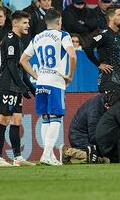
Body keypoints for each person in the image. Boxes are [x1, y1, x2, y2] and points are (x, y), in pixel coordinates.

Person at [20, 9, 77, 166]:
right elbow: (72, 55)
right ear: (59, 22)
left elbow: (23, 60)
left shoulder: (37, 37)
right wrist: (70, 76)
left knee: (46, 118)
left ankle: (49, 155)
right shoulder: (63, 35)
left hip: (42, 81)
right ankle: (46, 154)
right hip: (56, 81)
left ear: (46, 22)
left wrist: (36, 76)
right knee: (56, 118)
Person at [0, 10, 35, 167]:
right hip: (7, 85)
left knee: (16, 120)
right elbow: (10, 65)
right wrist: (22, 87)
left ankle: (17, 158)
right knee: (4, 119)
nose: (27, 25)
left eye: (28, 23)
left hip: (15, 86)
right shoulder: (10, 39)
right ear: (15, 23)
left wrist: (31, 88)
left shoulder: (19, 40)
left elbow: (19, 69)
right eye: (24, 23)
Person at [59, 92, 120, 164]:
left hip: (86, 136)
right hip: (79, 138)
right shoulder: (95, 111)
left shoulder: (105, 103)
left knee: (105, 158)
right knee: (98, 159)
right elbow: (93, 137)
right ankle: (68, 153)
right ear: (106, 105)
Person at [84, 4, 120, 93]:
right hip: (108, 82)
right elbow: (87, 47)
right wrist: (99, 65)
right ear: (110, 17)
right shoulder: (105, 35)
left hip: (119, 83)